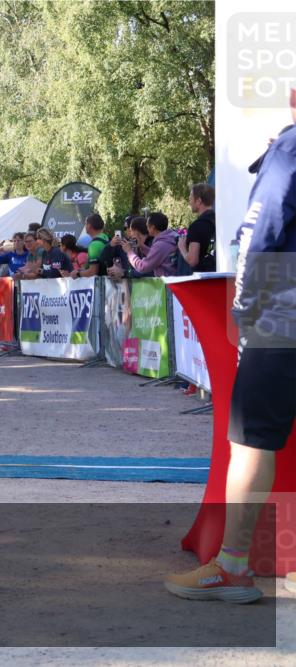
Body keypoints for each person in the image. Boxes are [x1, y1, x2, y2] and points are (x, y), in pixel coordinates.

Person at [164, 110, 296, 604]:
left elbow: (260, 238)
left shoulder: (288, 149)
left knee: (250, 442)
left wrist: (243, 310)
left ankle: (233, 567)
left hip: (283, 319)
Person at [119, 212, 178, 277]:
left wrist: (129, 252)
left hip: (168, 283)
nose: (146, 229)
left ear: (153, 228)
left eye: (147, 226)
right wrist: (142, 246)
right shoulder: (169, 238)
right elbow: (156, 256)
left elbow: (142, 267)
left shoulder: (160, 244)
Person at [179, 183, 216, 273]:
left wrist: (182, 247)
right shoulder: (219, 220)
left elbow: (192, 261)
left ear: (198, 201)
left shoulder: (197, 226)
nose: (189, 202)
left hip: (204, 279)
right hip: (221, 275)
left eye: (191, 199)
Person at [70, 213, 110, 278]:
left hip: (101, 283)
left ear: (89, 226)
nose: (85, 226)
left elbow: (93, 272)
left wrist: (78, 274)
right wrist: (83, 270)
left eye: (86, 224)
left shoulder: (94, 245)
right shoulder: (105, 237)